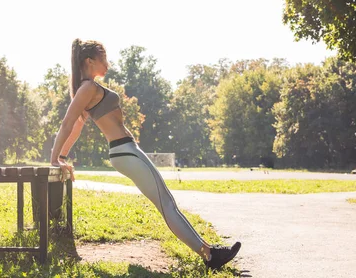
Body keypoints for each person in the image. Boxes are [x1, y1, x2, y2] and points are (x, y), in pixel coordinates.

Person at [50, 39, 241, 271]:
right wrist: (55, 159)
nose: (108, 64)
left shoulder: (87, 88)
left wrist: (62, 155)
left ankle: (209, 251)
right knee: (167, 205)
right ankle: (210, 256)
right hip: (124, 150)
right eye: (104, 58)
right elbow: (68, 124)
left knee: (167, 203)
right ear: (90, 61)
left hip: (127, 150)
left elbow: (76, 126)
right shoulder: (87, 87)